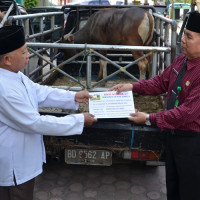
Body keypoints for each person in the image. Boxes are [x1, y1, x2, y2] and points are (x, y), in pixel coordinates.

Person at [110, 11, 200, 200]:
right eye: (184, 34)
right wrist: (132, 86)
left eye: (189, 36)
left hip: (192, 143)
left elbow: (185, 114)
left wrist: (149, 118)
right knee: (173, 189)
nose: (182, 40)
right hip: (172, 137)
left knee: (190, 192)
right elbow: (160, 82)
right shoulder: (181, 60)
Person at [0, 25, 97, 200]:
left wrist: (73, 96)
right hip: (14, 166)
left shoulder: (15, 75)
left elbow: (39, 92)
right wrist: (78, 120)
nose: (28, 55)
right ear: (7, 59)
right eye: (23, 53)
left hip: (23, 158)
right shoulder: (3, 89)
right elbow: (35, 123)